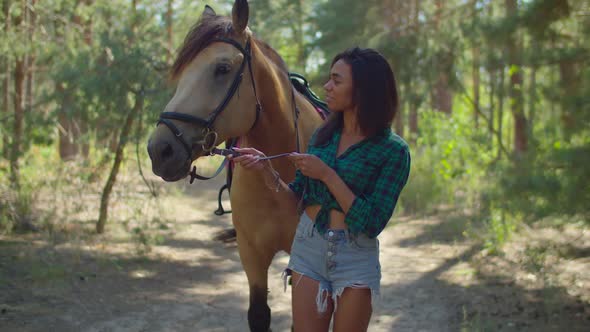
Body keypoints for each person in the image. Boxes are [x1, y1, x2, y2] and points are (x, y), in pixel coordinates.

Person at [229, 47, 411, 332]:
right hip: (308, 248)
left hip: (355, 256)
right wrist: (267, 170)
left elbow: (372, 222)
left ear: (364, 90)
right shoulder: (322, 136)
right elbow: (296, 202)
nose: (326, 86)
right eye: (329, 78)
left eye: (337, 81)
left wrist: (327, 175)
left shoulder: (393, 151)